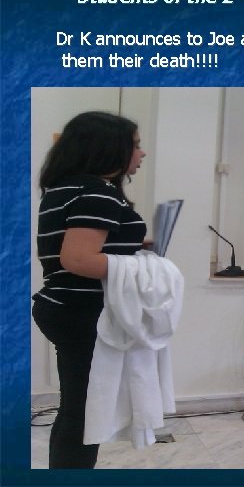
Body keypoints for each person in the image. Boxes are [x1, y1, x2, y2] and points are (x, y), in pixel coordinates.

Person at [32, 111, 147, 468]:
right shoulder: (97, 193)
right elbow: (78, 259)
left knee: (76, 409)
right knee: (84, 414)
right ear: (108, 148)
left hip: (64, 307)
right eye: (136, 145)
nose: (142, 153)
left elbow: (79, 248)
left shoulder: (66, 188)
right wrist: (143, 267)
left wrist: (131, 249)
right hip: (82, 312)